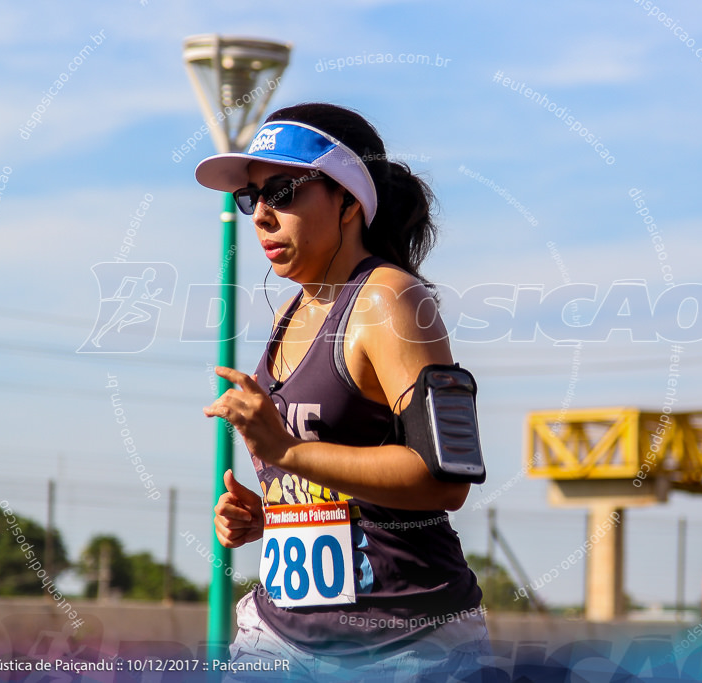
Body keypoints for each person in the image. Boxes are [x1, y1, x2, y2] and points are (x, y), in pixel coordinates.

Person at [195, 103, 489, 680]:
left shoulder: (390, 300)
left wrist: (288, 454)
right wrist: (276, 513)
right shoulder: (293, 309)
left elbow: (445, 480)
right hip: (279, 637)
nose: (261, 216)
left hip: (406, 641)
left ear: (349, 202)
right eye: (252, 198)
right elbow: (331, 474)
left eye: (283, 191)